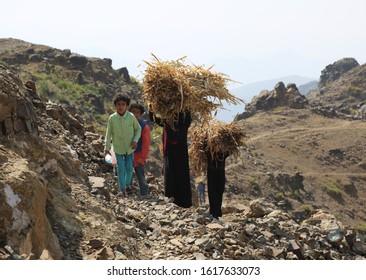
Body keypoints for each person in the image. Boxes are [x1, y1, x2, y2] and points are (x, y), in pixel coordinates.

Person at [149, 109, 192, 208]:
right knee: (170, 176)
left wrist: (186, 106)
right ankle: (171, 200)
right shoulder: (166, 123)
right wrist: (151, 107)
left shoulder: (184, 122)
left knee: (181, 176)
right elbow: (153, 118)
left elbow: (188, 117)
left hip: (180, 155)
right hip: (170, 155)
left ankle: (183, 203)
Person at [104, 94, 141, 196]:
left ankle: (128, 184)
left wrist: (135, 140)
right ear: (115, 105)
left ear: (127, 105)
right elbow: (108, 134)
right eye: (118, 104)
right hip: (118, 148)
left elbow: (138, 129)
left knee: (129, 168)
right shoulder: (112, 118)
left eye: (123, 104)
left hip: (130, 148)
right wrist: (106, 148)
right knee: (120, 168)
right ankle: (122, 189)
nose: (120, 106)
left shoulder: (131, 117)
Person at [129, 103, 151, 198]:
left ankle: (144, 194)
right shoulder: (126, 124)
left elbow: (146, 144)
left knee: (140, 175)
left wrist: (143, 157)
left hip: (138, 155)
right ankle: (128, 192)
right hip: (128, 154)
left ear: (141, 114)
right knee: (127, 173)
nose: (135, 114)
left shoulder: (144, 127)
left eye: (137, 112)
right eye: (133, 112)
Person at [206, 148, 229, 221]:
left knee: (219, 193)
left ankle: (217, 212)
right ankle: (213, 213)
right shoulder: (210, 153)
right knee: (212, 193)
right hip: (212, 175)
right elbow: (205, 149)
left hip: (220, 175)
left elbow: (229, 151)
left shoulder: (223, 154)